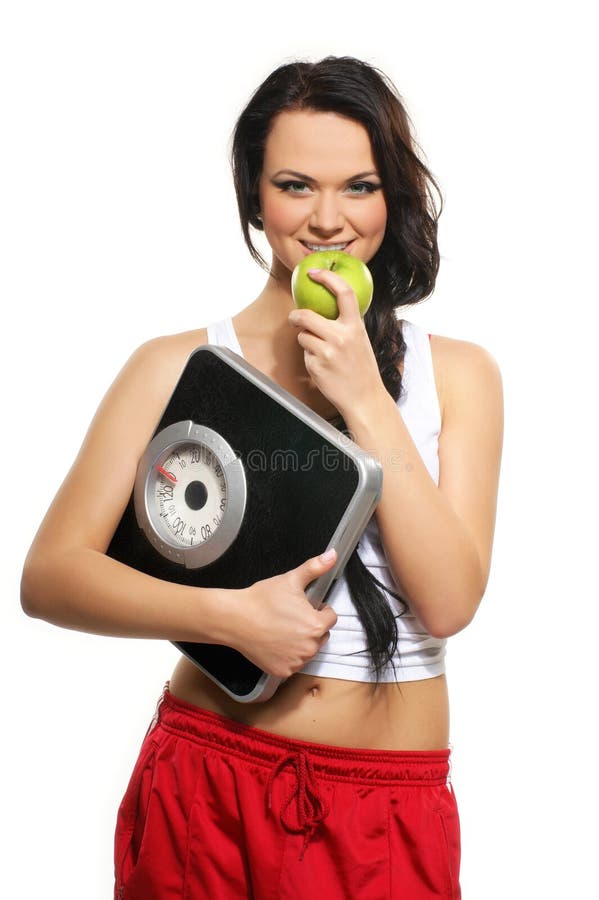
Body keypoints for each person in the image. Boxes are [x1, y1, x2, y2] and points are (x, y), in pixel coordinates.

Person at [21, 56, 504, 899]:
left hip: (379, 812)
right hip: (206, 779)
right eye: (294, 185)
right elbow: (51, 576)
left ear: (391, 196)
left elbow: (449, 603)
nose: (327, 220)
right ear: (253, 196)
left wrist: (365, 397)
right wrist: (228, 617)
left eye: (358, 186)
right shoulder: (176, 364)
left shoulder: (458, 374)